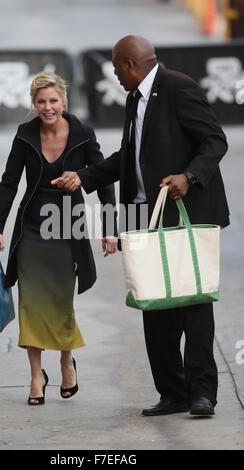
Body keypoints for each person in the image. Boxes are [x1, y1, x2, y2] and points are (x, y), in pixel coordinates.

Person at [52, 36, 230, 417]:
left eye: (117, 68)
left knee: (194, 303)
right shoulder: (135, 99)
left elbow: (215, 141)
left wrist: (189, 176)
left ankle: (202, 394)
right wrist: (84, 177)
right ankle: (172, 392)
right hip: (145, 216)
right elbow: (130, 156)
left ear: (131, 64)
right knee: (155, 305)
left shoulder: (179, 88)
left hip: (187, 213)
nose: (115, 75)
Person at [0, 72, 117, 406]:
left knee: (61, 302)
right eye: (41, 101)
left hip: (66, 226)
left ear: (64, 100)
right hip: (31, 226)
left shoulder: (83, 134)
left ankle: (64, 361)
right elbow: (8, 183)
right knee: (30, 301)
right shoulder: (25, 135)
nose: (48, 107)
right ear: (34, 104)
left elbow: (104, 179)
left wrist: (110, 226)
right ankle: (35, 375)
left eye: (53, 100)